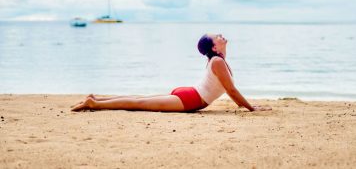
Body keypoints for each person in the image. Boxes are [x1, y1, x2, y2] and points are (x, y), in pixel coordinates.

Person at [71, 33, 271, 112]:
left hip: (190, 94)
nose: (220, 35)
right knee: (140, 103)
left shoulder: (218, 60)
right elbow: (232, 91)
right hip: (191, 99)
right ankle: (95, 103)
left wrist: (245, 106)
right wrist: (251, 108)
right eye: (216, 36)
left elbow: (230, 91)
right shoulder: (218, 61)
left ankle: (97, 99)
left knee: (141, 100)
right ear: (215, 48)